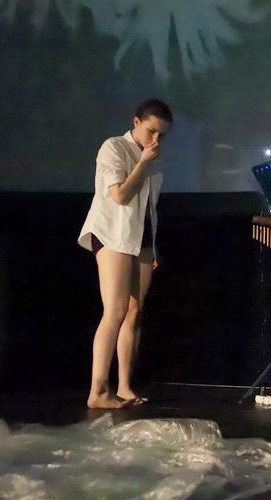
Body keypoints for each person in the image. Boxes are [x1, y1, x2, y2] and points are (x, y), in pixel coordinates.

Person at [77, 99, 172, 409]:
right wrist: (142, 163)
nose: (155, 140)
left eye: (161, 135)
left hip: (140, 240)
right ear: (136, 123)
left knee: (134, 312)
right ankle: (98, 390)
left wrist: (152, 245)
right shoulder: (114, 147)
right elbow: (119, 195)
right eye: (151, 131)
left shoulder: (154, 159)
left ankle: (125, 387)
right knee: (115, 310)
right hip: (112, 235)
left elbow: (149, 209)